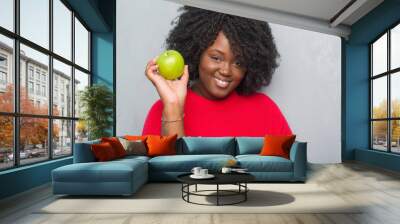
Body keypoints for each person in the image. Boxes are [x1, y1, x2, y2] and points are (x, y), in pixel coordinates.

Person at [143, 6, 292, 137]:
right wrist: (173, 107)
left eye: (238, 62)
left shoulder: (265, 110)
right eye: (216, 58)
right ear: (197, 52)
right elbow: (168, 168)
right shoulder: (162, 110)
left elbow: (291, 166)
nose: (226, 70)